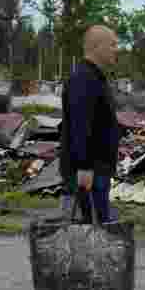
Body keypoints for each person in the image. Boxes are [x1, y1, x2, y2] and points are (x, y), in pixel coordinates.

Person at [59, 24, 121, 224]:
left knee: (95, 231)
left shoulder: (94, 78)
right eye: (112, 45)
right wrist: (84, 167)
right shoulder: (84, 79)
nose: (116, 49)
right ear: (97, 46)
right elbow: (80, 125)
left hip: (96, 171)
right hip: (89, 173)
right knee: (90, 232)